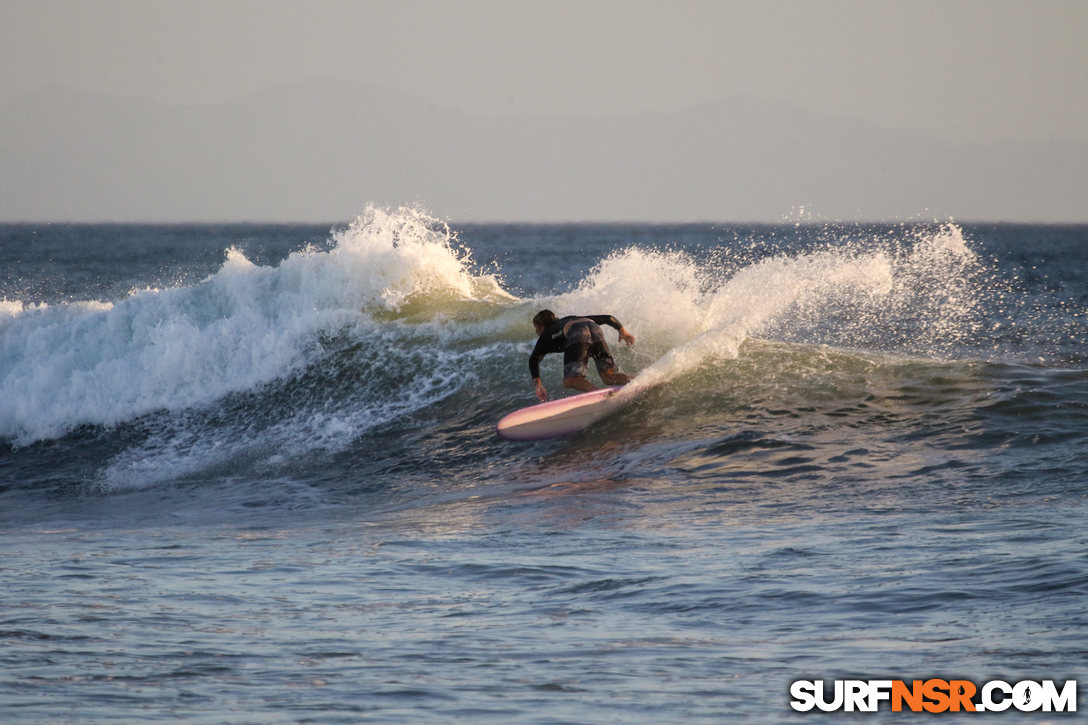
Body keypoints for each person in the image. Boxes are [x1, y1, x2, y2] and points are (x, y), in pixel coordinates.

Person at [528, 309, 636, 401]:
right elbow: (608, 317)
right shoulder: (568, 319)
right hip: (594, 328)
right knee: (608, 377)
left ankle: (601, 395)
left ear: (542, 326)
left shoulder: (546, 335)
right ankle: (639, 379)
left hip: (577, 331)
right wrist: (622, 331)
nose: (536, 331)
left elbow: (533, 359)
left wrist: (538, 385)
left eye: (537, 327)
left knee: (570, 380)